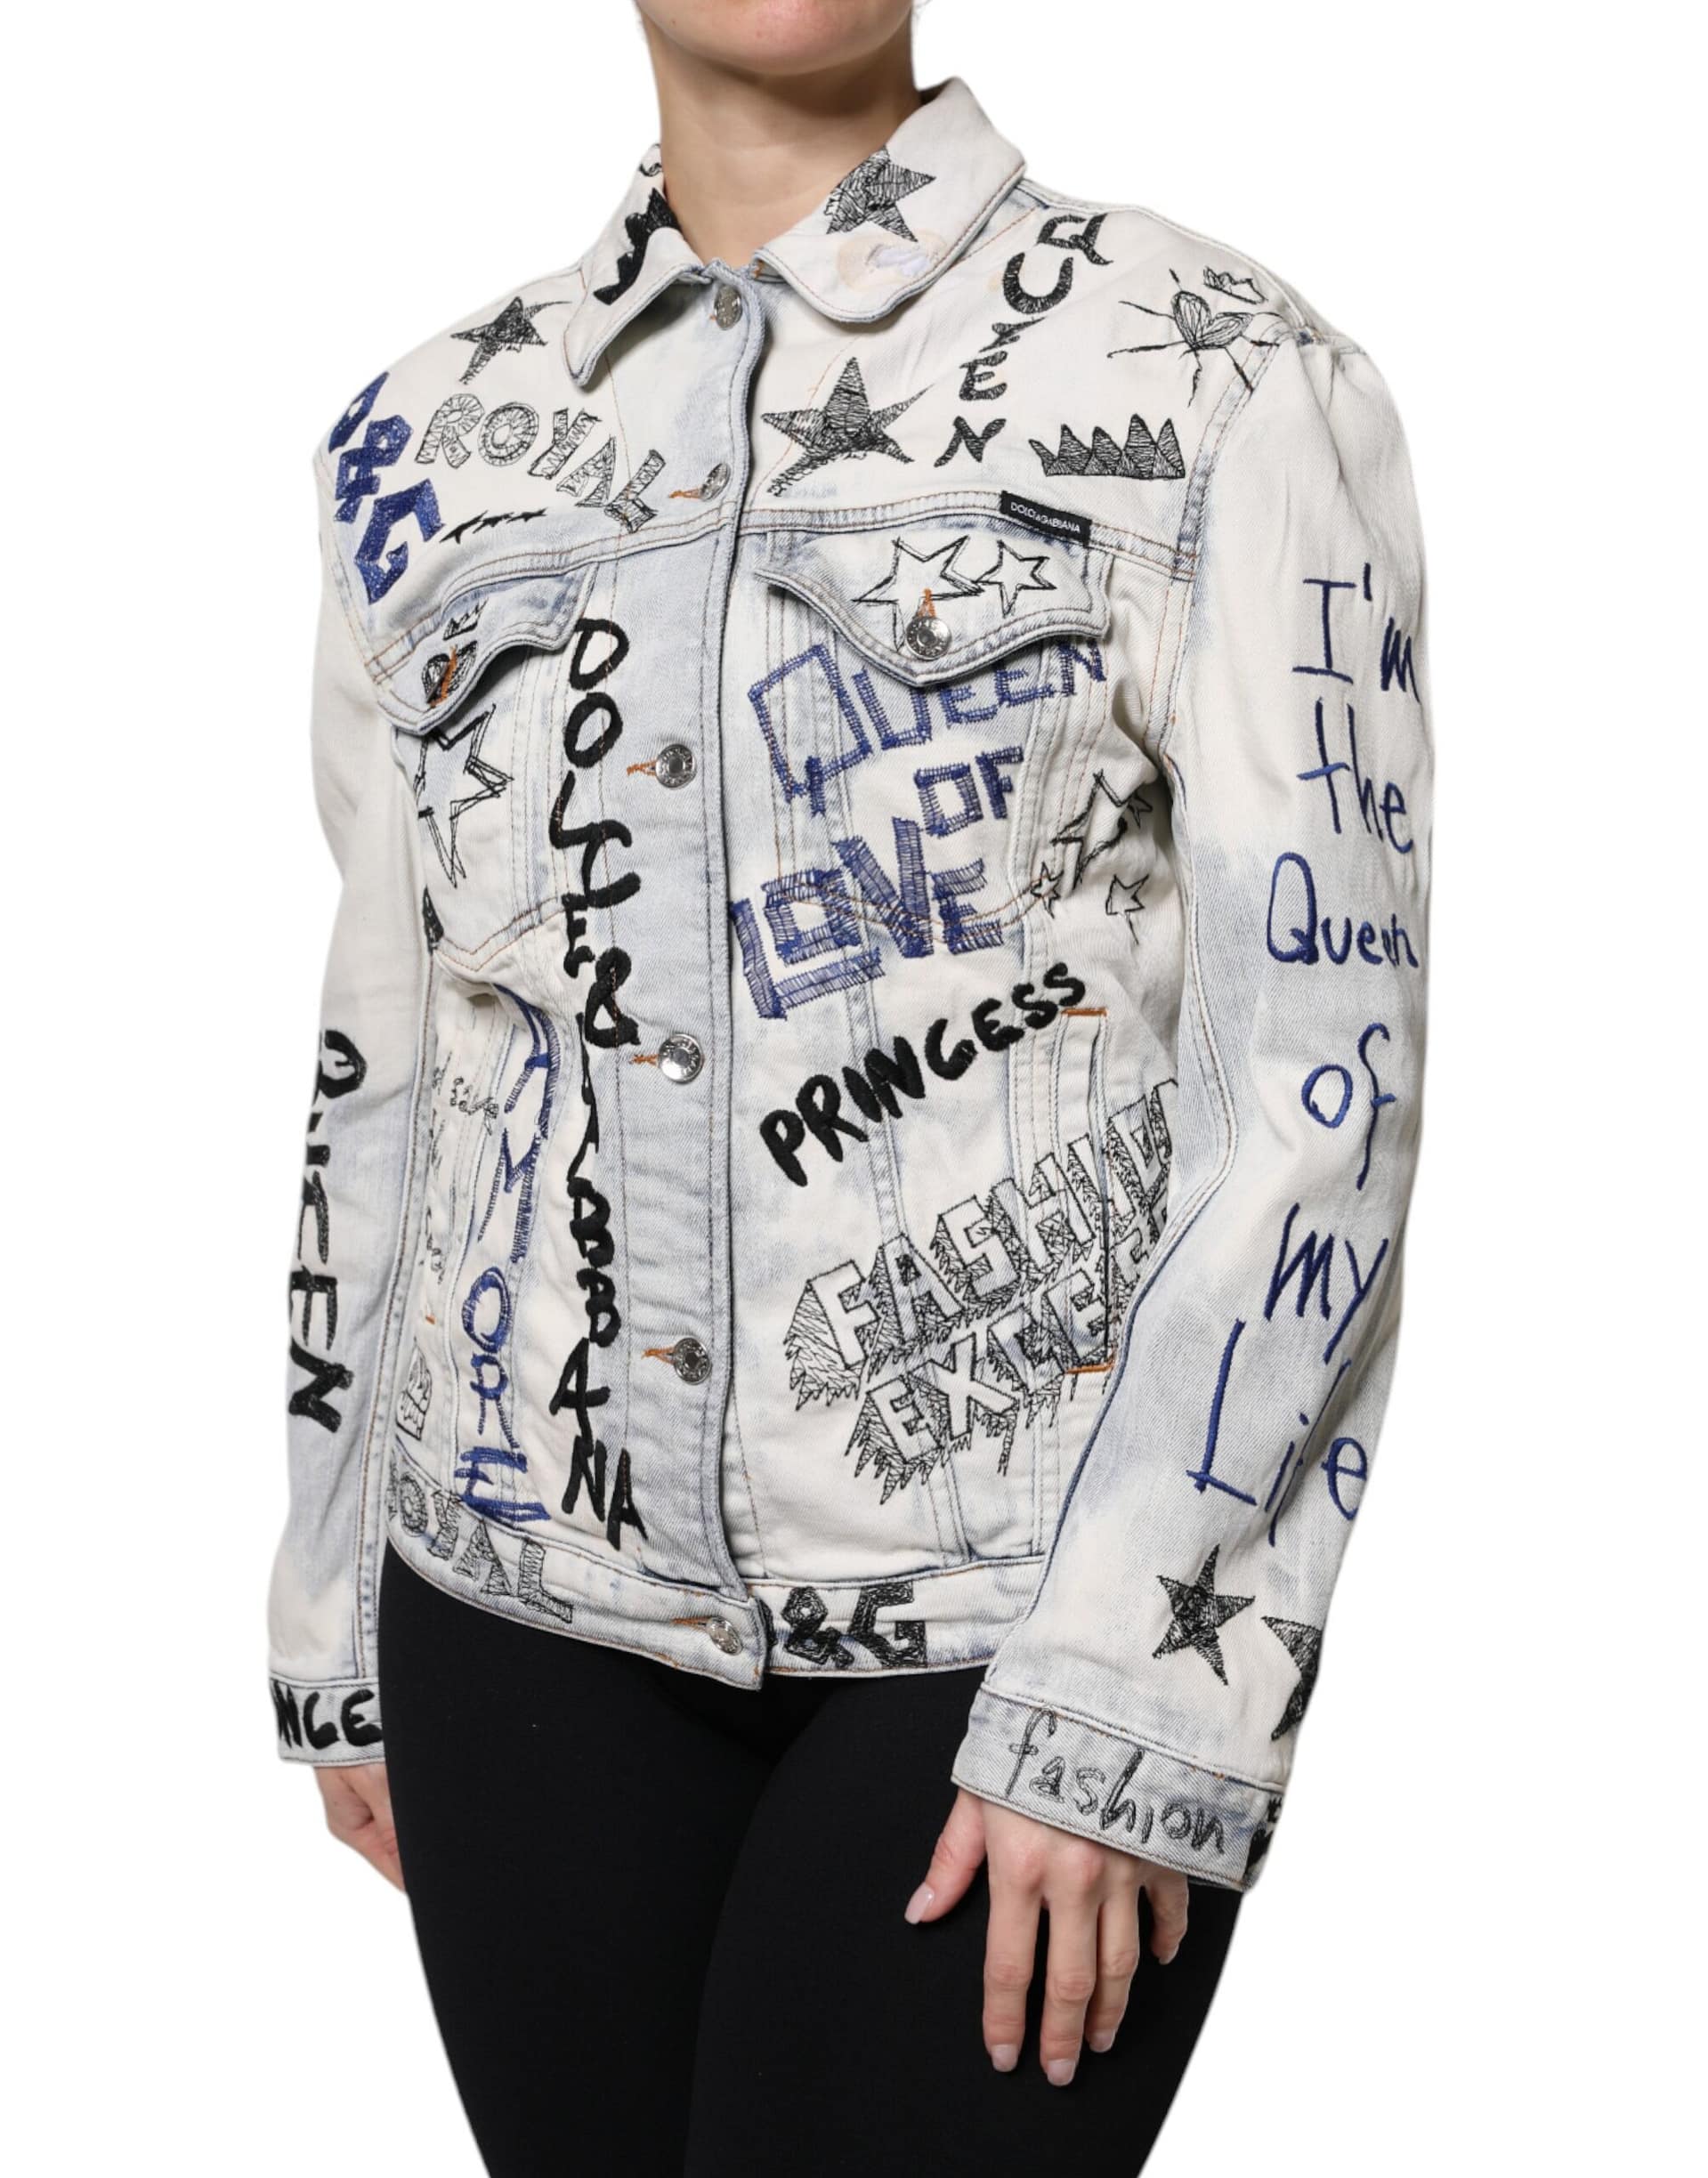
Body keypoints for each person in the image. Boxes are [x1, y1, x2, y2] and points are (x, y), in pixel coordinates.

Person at [270, 3, 1432, 2171]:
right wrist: (334, 1605)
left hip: (1015, 1625)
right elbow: (394, 1058)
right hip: (515, 1613)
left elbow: (1321, 1088)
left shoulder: (1219, 376)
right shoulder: (427, 437)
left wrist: (1128, 1686)